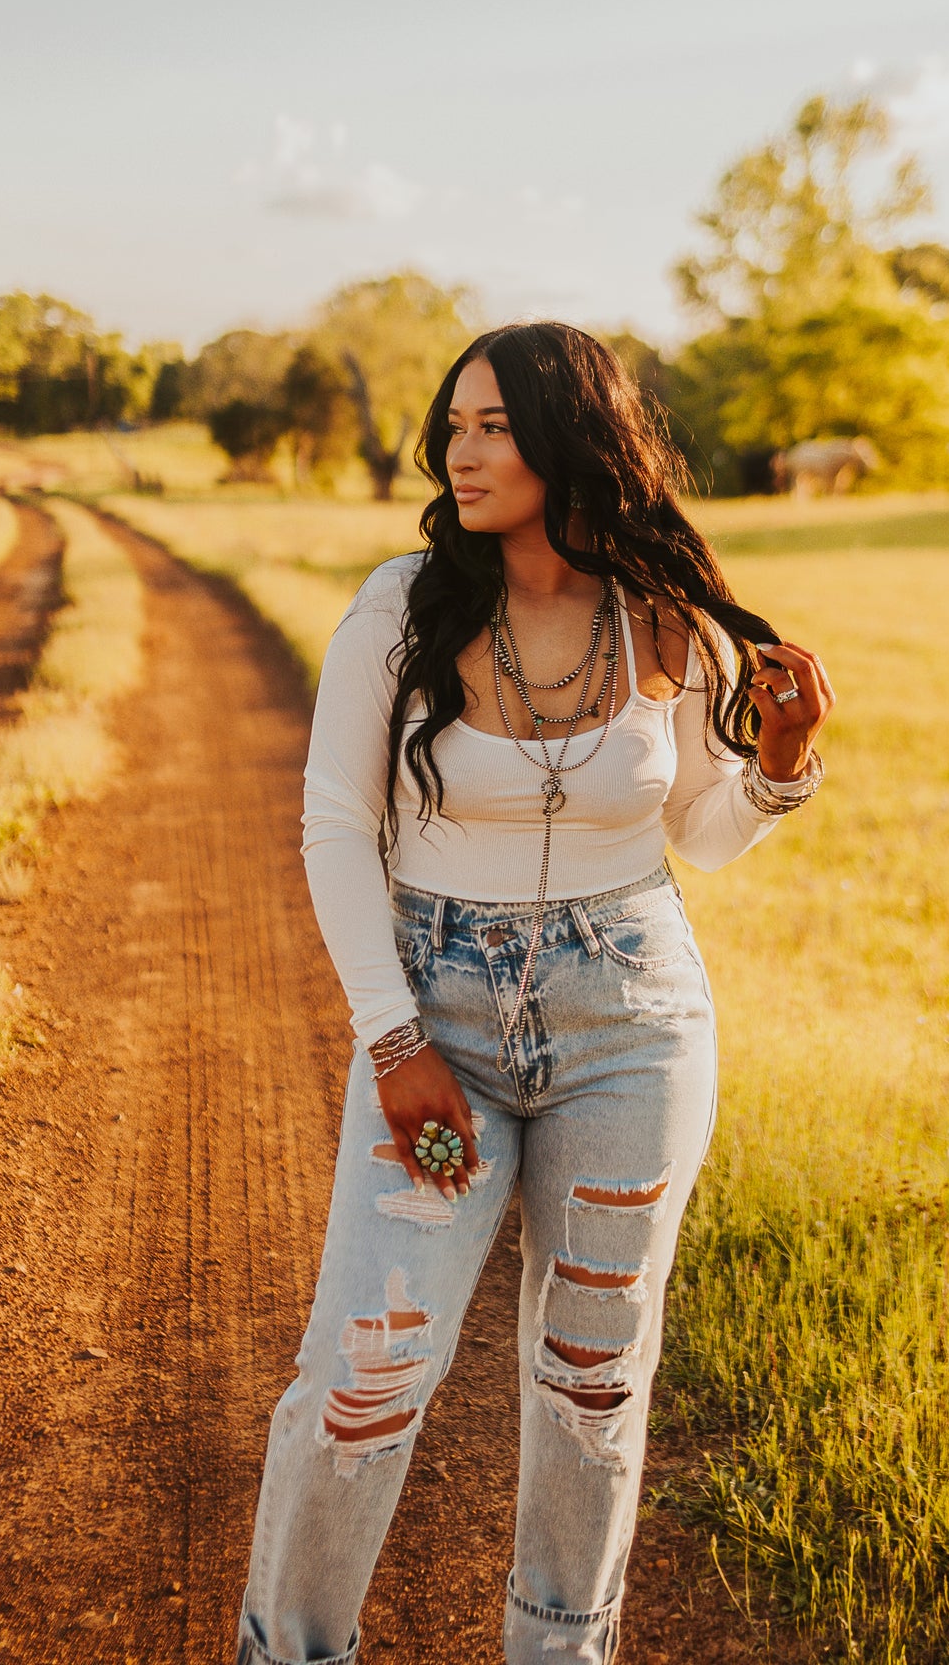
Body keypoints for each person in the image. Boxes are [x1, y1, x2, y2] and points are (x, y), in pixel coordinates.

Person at [237, 323, 833, 1665]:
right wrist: (394, 1041)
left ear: (574, 434)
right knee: (365, 1374)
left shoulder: (656, 612)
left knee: (591, 1383)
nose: (461, 449)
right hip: (435, 1014)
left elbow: (699, 828)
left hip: (630, 1023)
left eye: (493, 424)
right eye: (453, 425)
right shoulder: (400, 604)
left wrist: (779, 770)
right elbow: (336, 829)